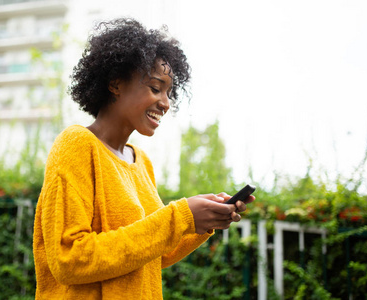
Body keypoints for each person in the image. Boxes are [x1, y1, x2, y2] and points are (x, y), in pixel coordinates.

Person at [33, 18, 255, 299]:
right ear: (115, 84)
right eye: (155, 88)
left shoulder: (141, 163)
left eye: (169, 92)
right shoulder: (76, 146)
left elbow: (153, 254)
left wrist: (201, 221)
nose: (165, 103)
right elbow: (70, 259)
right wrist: (180, 216)